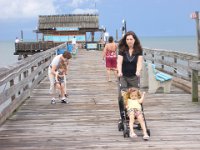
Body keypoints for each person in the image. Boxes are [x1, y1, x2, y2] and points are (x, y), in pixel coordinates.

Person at [117, 31, 143, 123]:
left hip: (134, 76)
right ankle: (123, 115)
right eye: (127, 39)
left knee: (135, 96)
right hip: (123, 76)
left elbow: (139, 62)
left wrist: (138, 71)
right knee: (122, 96)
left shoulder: (139, 50)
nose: (129, 41)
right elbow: (119, 62)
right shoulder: (122, 49)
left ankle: (136, 114)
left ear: (134, 40)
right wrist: (119, 71)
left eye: (131, 39)